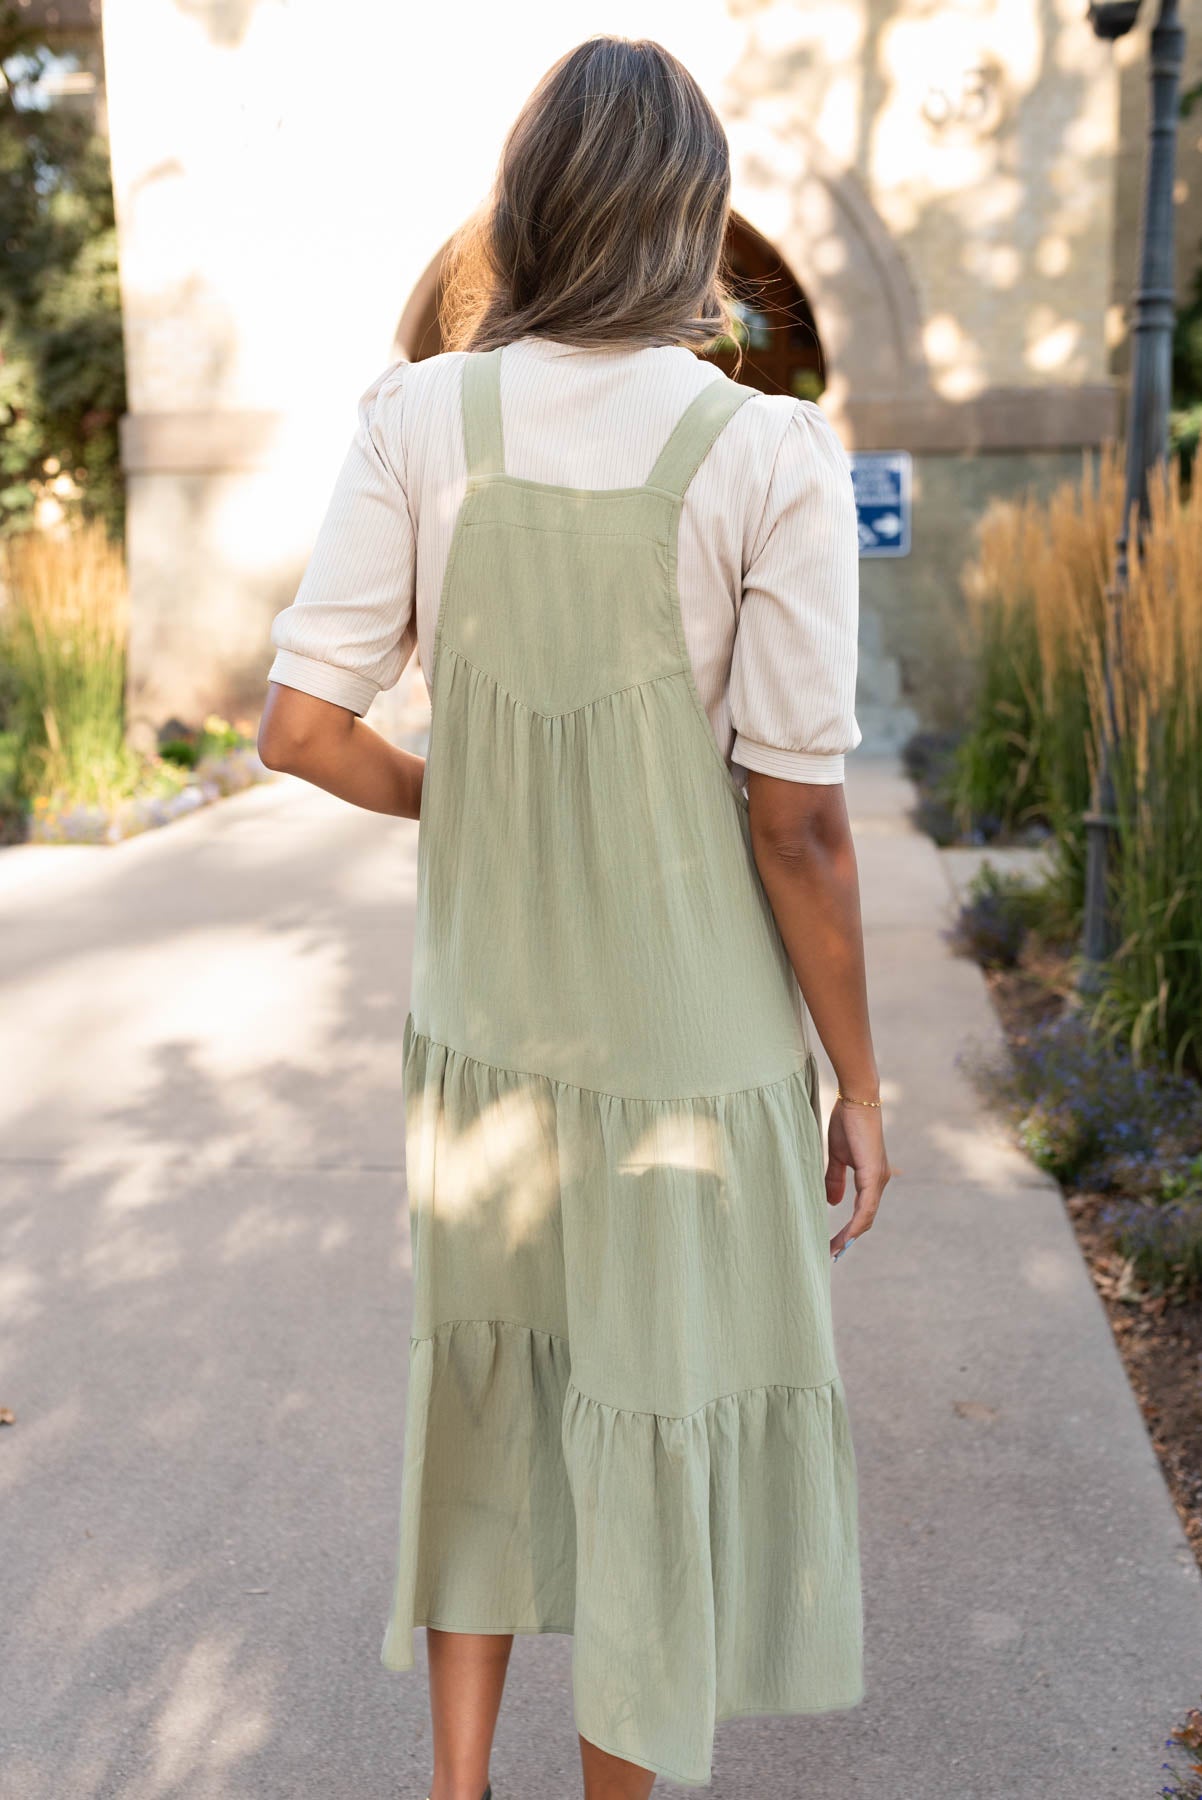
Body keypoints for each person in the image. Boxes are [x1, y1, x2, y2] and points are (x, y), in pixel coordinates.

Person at [257, 33, 891, 1800]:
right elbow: (801, 827)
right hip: (690, 1052)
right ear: (690, 220)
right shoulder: (764, 450)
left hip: (483, 1030)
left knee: (486, 1396)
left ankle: (454, 1789)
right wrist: (861, 1079)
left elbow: (298, 731)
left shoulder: (415, 417)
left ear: (529, 208)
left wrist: (452, 796)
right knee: (649, 1431)